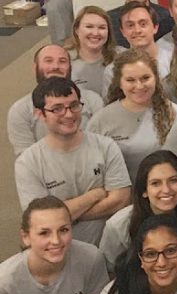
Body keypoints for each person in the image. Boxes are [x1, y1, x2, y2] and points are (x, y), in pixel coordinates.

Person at [15, 77, 131, 246]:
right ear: (40, 114)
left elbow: (121, 199)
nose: (69, 114)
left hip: (109, 250)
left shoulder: (105, 146)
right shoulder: (28, 162)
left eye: (74, 105)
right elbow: (43, 219)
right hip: (58, 252)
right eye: (57, 109)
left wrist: (66, 214)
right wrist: (93, 196)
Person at [88, 49, 177, 182]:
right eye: (130, 80)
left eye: (145, 78)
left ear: (156, 78)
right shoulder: (100, 121)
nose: (139, 86)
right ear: (119, 82)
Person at [99, 150, 177, 273]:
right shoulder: (118, 226)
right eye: (156, 183)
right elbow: (109, 271)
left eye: (173, 180)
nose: (166, 189)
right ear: (144, 191)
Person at [7, 44, 104, 156]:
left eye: (62, 61)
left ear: (70, 67)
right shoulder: (20, 110)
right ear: (35, 67)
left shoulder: (93, 100)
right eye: (48, 61)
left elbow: (101, 146)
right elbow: (27, 157)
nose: (55, 66)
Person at [102, 3, 168, 96]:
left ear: (155, 27)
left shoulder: (174, 61)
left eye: (143, 24)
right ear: (122, 31)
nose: (137, 30)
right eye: (130, 25)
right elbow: (111, 104)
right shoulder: (113, 71)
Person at [68, 5, 121, 94]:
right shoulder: (64, 60)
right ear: (76, 30)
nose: (95, 33)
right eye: (89, 26)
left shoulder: (122, 56)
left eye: (102, 27)